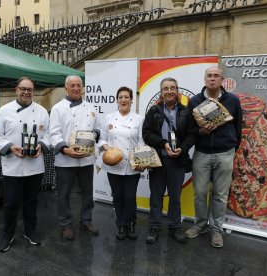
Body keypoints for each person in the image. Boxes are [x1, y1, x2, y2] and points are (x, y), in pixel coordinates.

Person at [0, 77, 51, 253]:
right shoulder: (4, 111)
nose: (26, 92)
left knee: (31, 201)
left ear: (33, 91)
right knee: (11, 203)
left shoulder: (41, 112)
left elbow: (48, 135)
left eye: (29, 89)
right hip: (12, 165)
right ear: (16, 90)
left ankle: (30, 231)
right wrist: (10, 148)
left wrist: (42, 146)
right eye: (23, 89)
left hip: (35, 165)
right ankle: (6, 235)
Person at [185, 66, 243, 248]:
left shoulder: (232, 100)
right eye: (209, 76)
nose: (212, 79)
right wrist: (200, 131)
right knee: (200, 193)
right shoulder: (195, 101)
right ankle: (200, 225)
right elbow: (188, 128)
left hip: (225, 153)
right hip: (202, 153)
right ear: (204, 79)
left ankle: (216, 230)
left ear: (221, 80)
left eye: (216, 76)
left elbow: (238, 128)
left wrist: (232, 145)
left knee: (220, 194)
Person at [142, 77, 196, 244]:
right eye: (166, 88)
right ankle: (154, 227)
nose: (169, 91)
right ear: (161, 92)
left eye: (173, 88)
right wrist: (163, 143)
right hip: (158, 161)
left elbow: (192, 135)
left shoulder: (185, 112)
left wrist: (183, 148)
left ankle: (174, 227)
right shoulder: (154, 111)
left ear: (177, 90)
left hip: (178, 162)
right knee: (156, 196)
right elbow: (146, 134)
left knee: (175, 197)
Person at [49, 75, 100, 240]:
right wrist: (65, 149)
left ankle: (86, 220)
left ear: (82, 87)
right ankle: (66, 224)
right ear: (66, 88)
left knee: (87, 192)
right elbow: (54, 134)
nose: (76, 88)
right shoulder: (58, 108)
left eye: (79, 85)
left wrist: (94, 137)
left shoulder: (91, 107)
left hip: (86, 159)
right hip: (65, 159)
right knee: (63, 194)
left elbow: (98, 129)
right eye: (72, 85)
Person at [98, 87, 144, 241]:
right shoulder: (109, 118)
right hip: (113, 164)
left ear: (131, 100)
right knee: (117, 196)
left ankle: (131, 223)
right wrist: (106, 147)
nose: (123, 100)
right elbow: (102, 138)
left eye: (126, 97)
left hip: (132, 165)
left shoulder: (139, 119)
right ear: (116, 100)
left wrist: (141, 161)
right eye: (120, 97)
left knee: (130, 197)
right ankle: (121, 224)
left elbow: (142, 142)